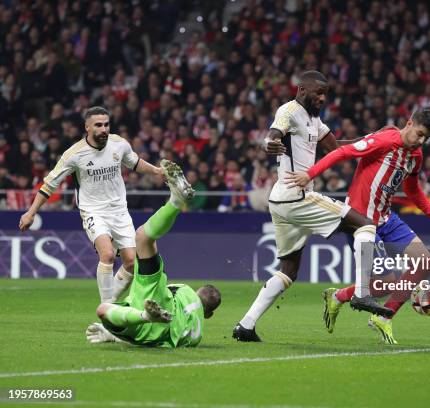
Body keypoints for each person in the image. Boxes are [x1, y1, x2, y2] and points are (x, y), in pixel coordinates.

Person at [233, 71, 391, 342]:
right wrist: (269, 143)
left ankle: (245, 326)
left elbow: (337, 149)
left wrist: (374, 140)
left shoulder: (314, 120)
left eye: (325, 94)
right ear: (302, 90)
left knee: (288, 270)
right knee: (365, 224)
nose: (322, 98)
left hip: (281, 201)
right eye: (318, 93)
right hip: (297, 196)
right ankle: (362, 293)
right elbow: (273, 133)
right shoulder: (289, 110)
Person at [285, 110, 430, 344]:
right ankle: (339, 296)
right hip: (360, 222)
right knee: (385, 285)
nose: (420, 141)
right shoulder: (384, 141)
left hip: (387, 219)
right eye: (419, 134)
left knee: (426, 262)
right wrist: (309, 174)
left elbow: (412, 191)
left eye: (425, 138)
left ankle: (381, 317)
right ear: (409, 124)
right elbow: (342, 152)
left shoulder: (415, 156)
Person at [19, 106, 161, 304]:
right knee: (108, 255)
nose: (104, 129)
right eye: (98, 125)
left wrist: (157, 171)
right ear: (87, 127)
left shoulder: (119, 144)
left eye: (106, 124)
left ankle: (109, 304)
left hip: (120, 211)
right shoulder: (74, 154)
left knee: (130, 262)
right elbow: (50, 184)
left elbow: (134, 162)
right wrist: (31, 212)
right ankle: (106, 309)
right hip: (93, 211)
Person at [86, 159, 221, 347]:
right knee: (103, 311)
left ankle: (175, 201)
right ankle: (142, 316)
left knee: (142, 237)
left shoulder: (186, 291)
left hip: (161, 309)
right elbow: (152, 342)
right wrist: (115, 337)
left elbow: (163, 290)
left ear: (198, 291)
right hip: (153, 335)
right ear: (208, 314)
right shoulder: (196, 337)